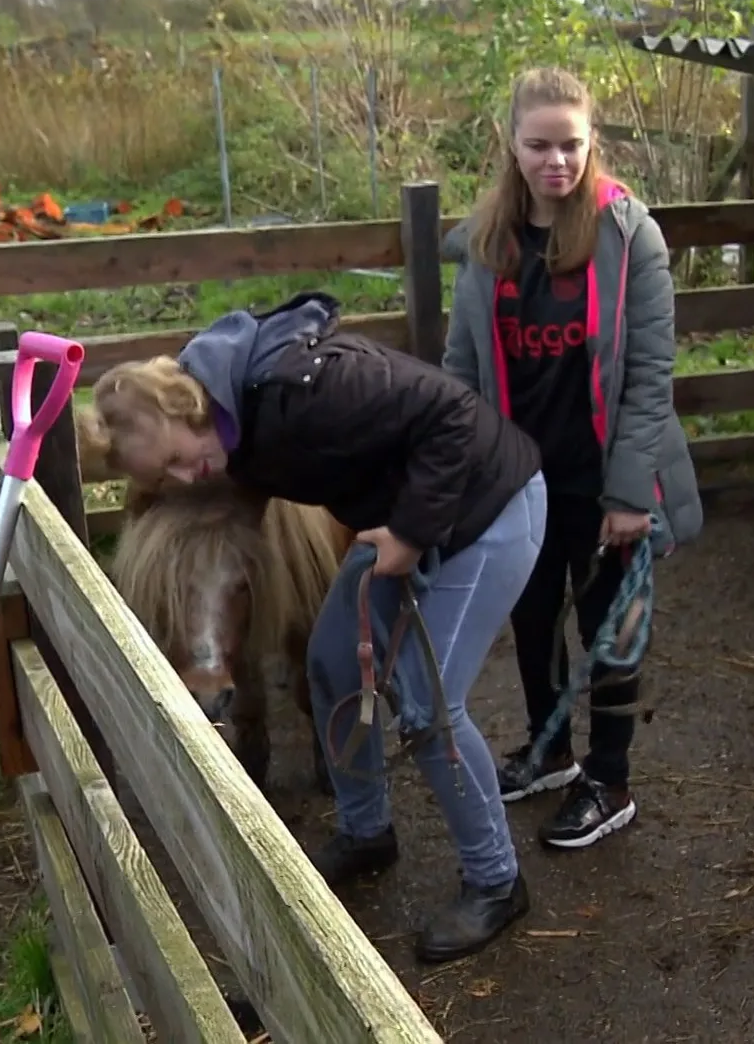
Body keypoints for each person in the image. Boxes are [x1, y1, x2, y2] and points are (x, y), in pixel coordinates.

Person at [77, 291, 548, 964]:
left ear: (183, 409)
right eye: (171, 477)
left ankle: (497, 879)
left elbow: (453, 419)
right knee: (329, 660)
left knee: (428, 703)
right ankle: (366, 830)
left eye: (183, 459)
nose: (189, 476)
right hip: (404, 514)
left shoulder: (313, 389)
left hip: (489, 508)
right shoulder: (225, 421)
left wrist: (412, 531)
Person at [441, 67, 704, 852]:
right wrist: (462, 475)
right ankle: (550, 749)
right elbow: (461, 367)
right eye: (539, 145)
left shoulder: (629, 236)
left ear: (593, 144)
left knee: (608, 628)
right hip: (521, 477)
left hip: (604, 476)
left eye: (571, 145)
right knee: (528, 616)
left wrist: (628, 495)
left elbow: (650, 374)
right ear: (510, 145)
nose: (556, 161)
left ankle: (609, 778)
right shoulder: (486, 242)